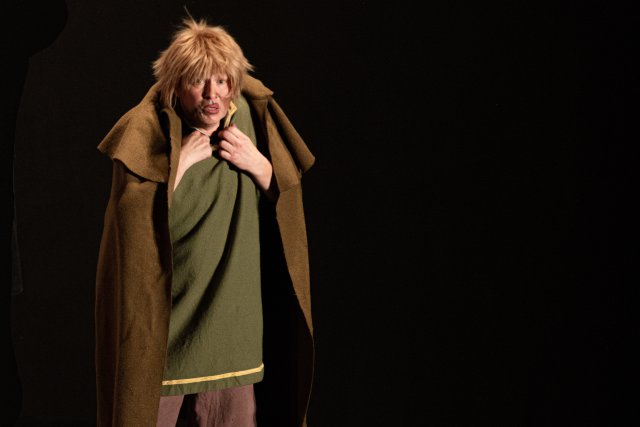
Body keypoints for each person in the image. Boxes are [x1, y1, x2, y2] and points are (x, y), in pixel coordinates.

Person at [95, 16, 315, 427]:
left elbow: (287, 205)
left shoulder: (250, 118)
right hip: (166, 324)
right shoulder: (148, 129)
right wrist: (178, 167)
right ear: (175, 86)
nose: (213, 95)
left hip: (231, 324)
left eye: (222, 81)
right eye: (198, 82)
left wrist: (260, 166)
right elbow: (131, 224)